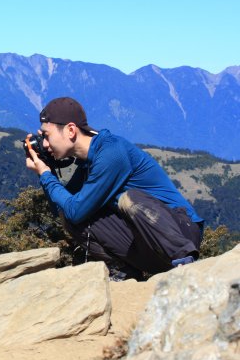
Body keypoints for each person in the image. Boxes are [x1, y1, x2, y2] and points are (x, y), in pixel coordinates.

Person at [25, 97, 203, 281]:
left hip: (181, 232)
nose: (45, 144)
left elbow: (76, 210)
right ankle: (126, 274)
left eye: (47, 136)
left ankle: (184, 262)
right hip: (147, 246)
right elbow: (63, 207)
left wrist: (46, 174)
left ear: (71, 130)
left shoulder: (112, 153)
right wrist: (46, 171)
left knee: (129, 199)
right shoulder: (89, 162)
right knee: (69, 214)